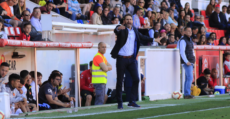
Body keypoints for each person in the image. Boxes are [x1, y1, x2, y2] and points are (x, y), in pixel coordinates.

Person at [111, 14, 162, 109]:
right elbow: (116, 30)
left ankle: (132, 101)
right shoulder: (121, 29)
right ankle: (120, 102)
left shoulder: (134, 30)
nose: (129, 21)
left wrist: (154, 39)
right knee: (119, 81)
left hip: (131, 59)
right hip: (121, 59)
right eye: (127, 19)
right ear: (124, 21)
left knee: (136, 79)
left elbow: (143, 37)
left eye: (130, 19)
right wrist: (118, 28)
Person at [177, 27, 195, 99]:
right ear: (184, 32)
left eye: (191, 31)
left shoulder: (190, 40)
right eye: (188, 31)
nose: (190, 32)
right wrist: (186, 61)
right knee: (190, 77)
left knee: (188, 78)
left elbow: (192, 51)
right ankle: (187, 93)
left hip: (191, 61)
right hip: (187, 62)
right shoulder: (182, 40)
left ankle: (186, 93)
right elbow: (182, 52)